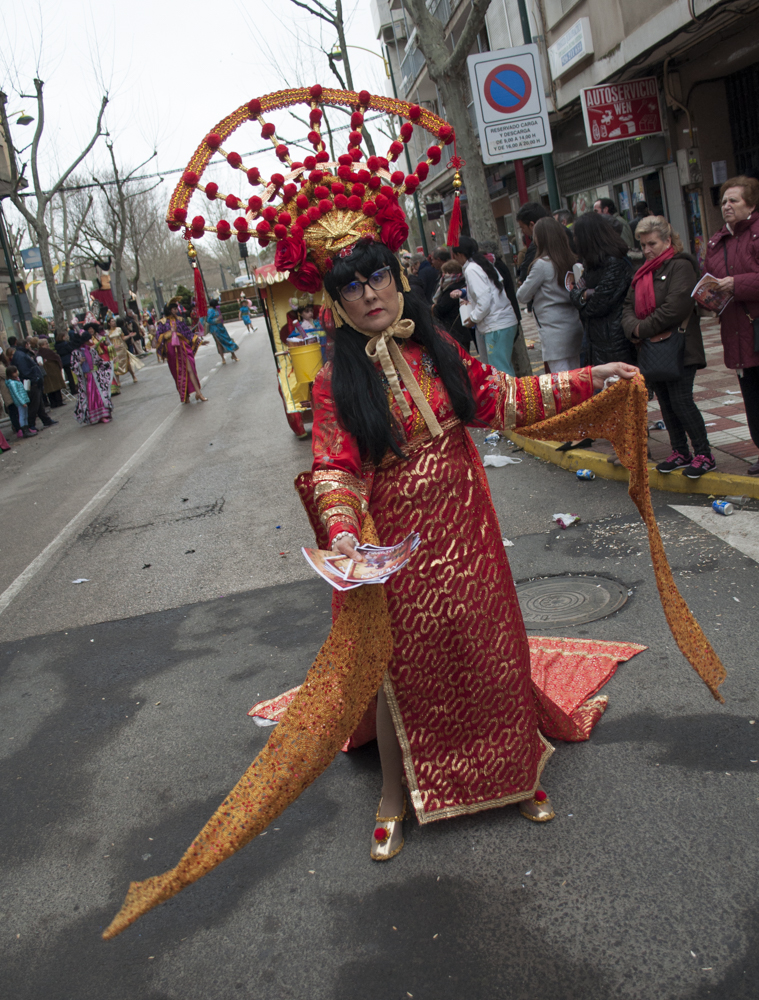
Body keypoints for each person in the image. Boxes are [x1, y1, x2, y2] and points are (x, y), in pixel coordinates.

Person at [622, 216, 714, 478]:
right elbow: (627, 306)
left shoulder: (681, 265)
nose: (647, 250)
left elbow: (675, 307)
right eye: (643, 245)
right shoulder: (643, 272)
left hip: (680, 345)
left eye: (652, 243)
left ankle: (704, 454)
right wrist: (633, 328)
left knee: (681, 400)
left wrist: (641, 329)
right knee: (665, 401)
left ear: (667, 241)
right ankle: (680, 451)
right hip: (652, 349)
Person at [703, 175, 759, 476]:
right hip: (735, 330)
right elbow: (709, 278)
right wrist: (707, 296)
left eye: (734, 200)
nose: (727, 205)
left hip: (755, 324)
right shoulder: (717, 242)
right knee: (751, 395)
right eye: (724, 201)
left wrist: (736, 284)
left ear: (750, 205)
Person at [516, 217, 584, 372]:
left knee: (562, 381)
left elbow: (522, 295)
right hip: (574, 325)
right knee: (576, 377)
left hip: (553, 331)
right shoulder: (571, 260)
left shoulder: (542, 265)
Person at [570, 212, 636, 366]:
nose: (574, 240)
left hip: (614, 340)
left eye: (576, 236)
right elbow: (574, 293)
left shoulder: (614, 263)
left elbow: (596, 305)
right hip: (597, 340)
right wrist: (586, 294)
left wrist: (583, 299)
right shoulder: (592, 263)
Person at [452, 235, 519, 374]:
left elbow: (484, 300)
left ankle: (508, 390)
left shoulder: (471, 269)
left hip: (496, 325)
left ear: (459, 254)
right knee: (502, 368)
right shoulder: (482, 264)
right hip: (501, 322)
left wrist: (473, 318)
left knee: (500, 371)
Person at [155, 302, 208, 402]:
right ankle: (185, 394)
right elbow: (158, 337)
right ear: (169, 309)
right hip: (171, 349)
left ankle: (198, 393)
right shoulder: (162, 322)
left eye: (176, 308)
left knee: (190, 369)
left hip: (183, 347)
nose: (176, 310)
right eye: (174, 309)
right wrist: (170, 333)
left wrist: (199, 341)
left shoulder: (180, 320)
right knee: (177, 372)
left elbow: (187, 333)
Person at [6, 336, 57, 431]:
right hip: (31, 382)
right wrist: (35, 378)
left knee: (39, 403)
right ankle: (31, 425)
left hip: (32, 381)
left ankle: (46, 420)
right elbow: (25, 371)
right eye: (28, 344)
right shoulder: (21, 356)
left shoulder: (21, 354)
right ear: (26, 345)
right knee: (34, 404)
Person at [71, 330, 114, 425]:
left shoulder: (91, 350)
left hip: (95, 377)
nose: (89, 342)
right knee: (90, 397)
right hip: (85, 379)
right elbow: (73, 367)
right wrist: (80, 363)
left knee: (100, 395)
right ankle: (93, 416)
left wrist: (110, 362)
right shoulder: (76, 353)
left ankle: (103, 415)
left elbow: (99, 361)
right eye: (87, 340)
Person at [432, 259, 469, 350]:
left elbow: (442, 308)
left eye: (444, 273)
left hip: (454, 329)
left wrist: (433, 308)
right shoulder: (462, 284)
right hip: (462, 329)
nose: (442, 276)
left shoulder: (451, 289)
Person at [515, 202, 549, 282]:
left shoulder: (536, 246)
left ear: (531, 225)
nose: (523, 232)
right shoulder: (563, 234)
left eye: (522, 228)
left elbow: (524, 273)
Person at [107, 316, 142, 389]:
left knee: (127, 363)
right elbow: (107, 342)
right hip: (114, 350)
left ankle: (133, 376)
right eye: (112, 321)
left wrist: (129, 336)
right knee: (116, 365)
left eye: (114, 321)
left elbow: (123, 338)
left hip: (121, 349)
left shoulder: (119, 329)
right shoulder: (107, 332)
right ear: (109, 323)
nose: (114, 322)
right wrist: (111, 346)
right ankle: (118, 381)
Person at [4, 365, 37, 437]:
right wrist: (22, 402)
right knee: (22, 415)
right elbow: (16, 394)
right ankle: (24, 430)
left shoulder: (16, 380)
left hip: (23, 399)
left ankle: (26, 429)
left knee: (25, 415)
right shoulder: (12, 383)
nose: (17, 372)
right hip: (21, 402)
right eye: (15, 372)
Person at [35, 336, 67, 407]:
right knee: (53, 387)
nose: (48, 345)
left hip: (52, 372)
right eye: (46, 344)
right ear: (41, 345)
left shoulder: (43, 352)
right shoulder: (45, 352)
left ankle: (55, 402)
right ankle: (57, 402)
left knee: (53, 388)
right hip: (50, 372)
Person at [0, 348, 20, 434]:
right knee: (13, 410)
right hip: (7, 391)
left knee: (13, 410)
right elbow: (8, 375)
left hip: (8, 390)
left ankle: (17, 427)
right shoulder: (0, 367)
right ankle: (18, 428)